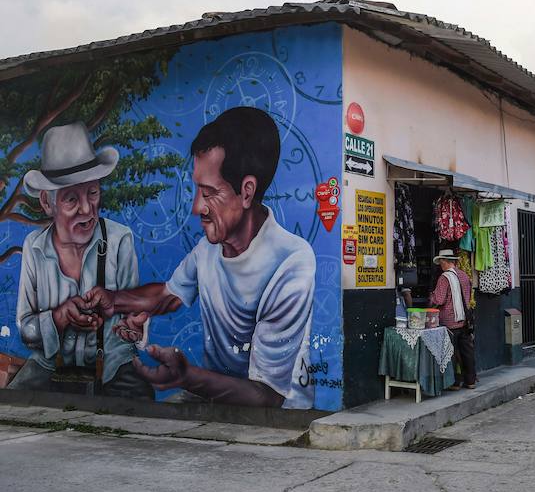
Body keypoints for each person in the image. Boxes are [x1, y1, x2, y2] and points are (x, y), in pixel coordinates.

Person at [86, 107, 316, 408]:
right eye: (197, 190)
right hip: (209, 397)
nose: (197, 207)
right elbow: (168, 296)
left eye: (209, 193)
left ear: (247, 192)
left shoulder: (291, 263)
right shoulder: (208, 249)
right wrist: (114, 301)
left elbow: (267, 397)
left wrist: (186, 377)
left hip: (279, 417)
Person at [10, 122, 152, 398]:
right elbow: (25, 328)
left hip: (111, 367)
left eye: (93, 193)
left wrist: (134, 328)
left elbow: (131, 312)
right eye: (71, 199)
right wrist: (59, 317)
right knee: (15, 401)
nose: (87, 209)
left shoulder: (120, 240)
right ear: (47, 202)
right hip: (48, 366)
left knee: (142, 401)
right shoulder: (34, 247)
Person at [429, 249, 475, 390]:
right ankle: (470, 381)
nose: (440, 265)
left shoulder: (444, 278)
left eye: (441, 262)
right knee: (467, 351)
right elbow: (468, 296)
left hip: (449, 322)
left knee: (452, 353)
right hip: (464, 320)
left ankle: (455, 382)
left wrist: (431, 296)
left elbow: (439, 299)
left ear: (445, 262)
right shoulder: (464, 276)